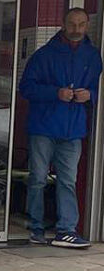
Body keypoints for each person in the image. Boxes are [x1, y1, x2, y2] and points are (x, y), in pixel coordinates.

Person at [19, 7, 101, 248]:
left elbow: (99, 90)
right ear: (64, 25)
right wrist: (56, 93)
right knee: (37, 179)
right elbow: (26, 88)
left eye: (81, 24)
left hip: (73, 130)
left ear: (87, 25)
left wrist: (91, 95)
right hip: (43, 127)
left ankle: (66, 231)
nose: (77, 29)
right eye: (72, 24)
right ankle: (36, 228)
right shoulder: (43, 55)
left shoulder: (94, 56)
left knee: (68, 181)